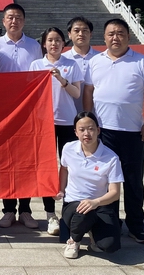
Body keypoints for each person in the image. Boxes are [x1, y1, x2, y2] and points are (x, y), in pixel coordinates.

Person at [83, 18, 144, 244]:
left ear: (128, 36)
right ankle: (111, 224)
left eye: (120, 33)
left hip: (132, 131)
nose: (115, 38)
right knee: (107, 181)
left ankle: (136, 226)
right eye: (111, 34)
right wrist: (88, 122)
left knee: (133, 181)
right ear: (104, 37)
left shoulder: (142, 61)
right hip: (103, 132)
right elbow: (88, 91)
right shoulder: (95, 61)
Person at [0, 3, 43, 230]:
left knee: (27, 162)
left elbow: (39, 77)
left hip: (28, 112)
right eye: (10, 17)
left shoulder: (34, 46)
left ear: (24, 21)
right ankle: (8, 209)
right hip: (3, 112)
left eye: (18, 17)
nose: (14, 21)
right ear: (3, 21)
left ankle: (26, 209)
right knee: (6, 162)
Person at [29, 27, 84, 235]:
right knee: (47, 167)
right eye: (50, 40)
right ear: (44, 44)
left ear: (63, 43)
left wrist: (62, 80)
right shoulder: (36, 65)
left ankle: (69, 210)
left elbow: (77, 94)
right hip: (44, 123)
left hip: (67, 122)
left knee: (69, 165)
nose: (54, 44)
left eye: (58, 40)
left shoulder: (71, 64)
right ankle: (50, 213)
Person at [56, 111, 123, 259]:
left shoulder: (111, 158)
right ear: (76, 132)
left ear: (98, 130)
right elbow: (64, 169)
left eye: (91, 129)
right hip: (74, 204)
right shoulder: (68, 148)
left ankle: (93, 233)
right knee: (82, 212)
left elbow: (115, 193)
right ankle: (74, 240)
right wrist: (61, 190)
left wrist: (95, 202)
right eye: (82, 129)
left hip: (99, 204)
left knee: (110, 245)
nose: (86, 133)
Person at [62, 17, 98, 114]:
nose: (81, 34)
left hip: (96, 115)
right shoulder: (62, 59)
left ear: (91, 34)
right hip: (68, 114)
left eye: (85, 30)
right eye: (76, 31)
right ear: (69, 34)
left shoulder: (101, 58)